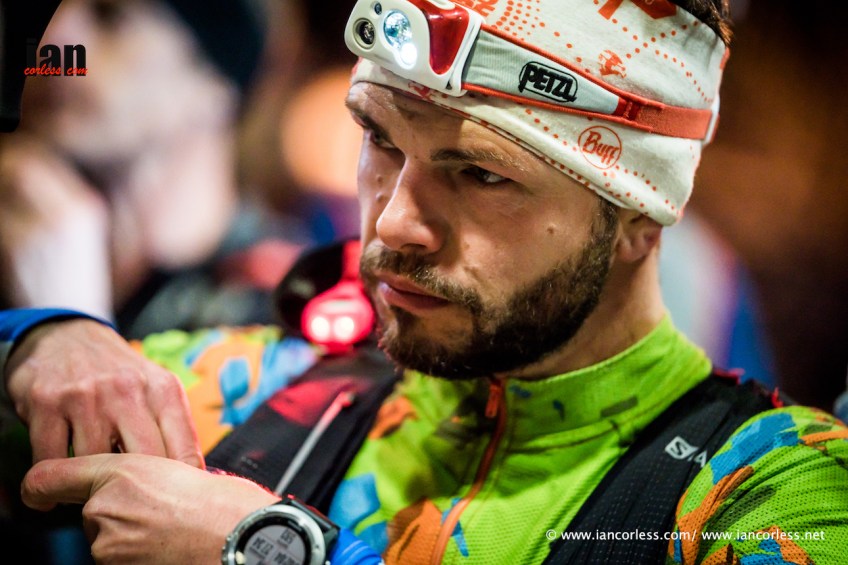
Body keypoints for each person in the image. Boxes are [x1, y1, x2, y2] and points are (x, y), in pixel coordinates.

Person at [2, 0, 847, 563]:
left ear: (639, 216)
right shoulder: (259, 385)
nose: (394, 221)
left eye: (481, 173)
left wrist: (265, 549)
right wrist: (44, 337)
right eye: (380, 140)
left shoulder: (773, 486)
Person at [0, 0, 306, 339]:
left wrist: (68, 331)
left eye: (109, 17)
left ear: (213, 82)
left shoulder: (285, 305)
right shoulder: (25, 249)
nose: (50, 42)